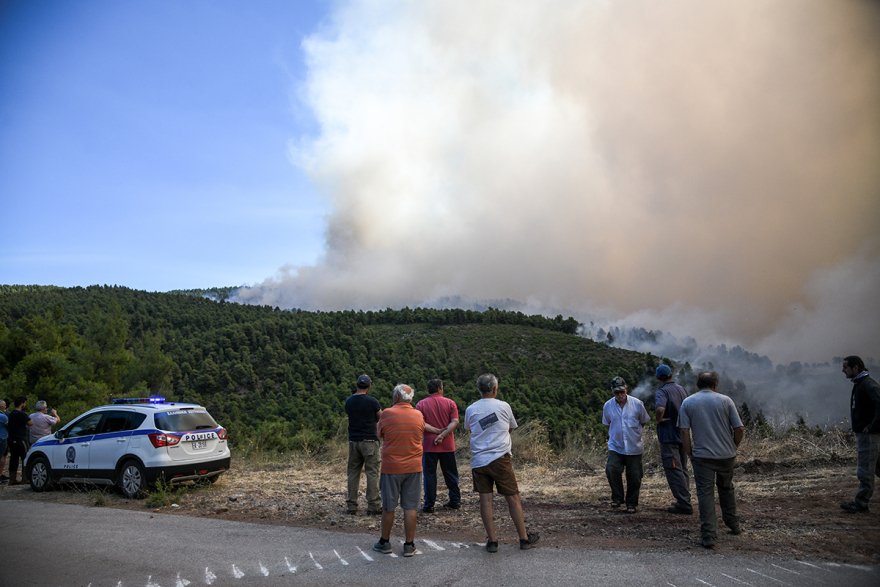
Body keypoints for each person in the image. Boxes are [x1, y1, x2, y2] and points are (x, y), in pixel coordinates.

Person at [464, 374, 539, 552]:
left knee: (485, 500)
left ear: (479, 389)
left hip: (479, 460)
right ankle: (524, 538)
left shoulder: (470, 409)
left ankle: (492, 541)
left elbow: (471, 430)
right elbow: (510, 428)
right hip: (500, 459)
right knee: (512, 498)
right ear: (495, 389)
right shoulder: (504, 406)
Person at [678, 371, 744, 548]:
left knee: (705, 494)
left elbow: (684, 431)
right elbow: (739, 429)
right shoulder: (726, 400)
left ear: (698, 385)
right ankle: (734, 525)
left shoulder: (688, 402)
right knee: (727, 488)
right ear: (715, 385)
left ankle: (708, 535)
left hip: (702, 457)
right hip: (726, 455)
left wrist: (690, 453)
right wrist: (733, 447)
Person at [373, 384, 425, 557]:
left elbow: (379, 434)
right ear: (410, 399)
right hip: (414, 467)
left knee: (389, 506)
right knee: (410, 507)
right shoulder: (419, 415)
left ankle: (385, 542)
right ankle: (409, 545)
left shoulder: (387, 413)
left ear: (396, 397)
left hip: (391, 467)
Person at [602, 376, 651, 514]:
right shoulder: (608, 405)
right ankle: (617, 498)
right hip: (616, 446)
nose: (619, 395)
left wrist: (634, 433)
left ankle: (631, 503)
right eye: (616, 392)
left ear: (626, 389)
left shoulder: (637, 404)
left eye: (621, 391)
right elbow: (607, 423)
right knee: (612, 470)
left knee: (635, 476)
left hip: (634, 446)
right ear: (612, 391)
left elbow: (643, 421)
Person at [840, 355, 880, 513]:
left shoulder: (867, 385)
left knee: (865, 470)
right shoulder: (862, 384)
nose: (843, 370)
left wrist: (872, 426)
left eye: (846, 367)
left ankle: (861, 504)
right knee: (877, 466)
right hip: (868, 434)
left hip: (868, 435)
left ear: (855, 367)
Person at [416, 378, 461, 513]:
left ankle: (429, 504)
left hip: (429, 445)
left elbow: (420, 423)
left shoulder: (421, 404)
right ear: (440, 388)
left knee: (429, 474)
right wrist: (443, 434)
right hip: (448, 444)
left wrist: (436, 432)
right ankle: (455, 500)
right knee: (450, 473)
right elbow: (455, 421)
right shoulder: (450, 403)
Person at [655, 365, 693, 514]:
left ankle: (684, 503)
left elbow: (660, 409)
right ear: (671, 375)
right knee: (683, 469)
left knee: (673, 469)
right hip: (682, 434)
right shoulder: (681, 389)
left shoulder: (662, 391)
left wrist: (659, 420)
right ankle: (685, 498)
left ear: (658, 377)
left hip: (669, 436)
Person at [344, 374, 383, 515]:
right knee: (372, 473)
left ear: (356, 384)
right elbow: (381, 417)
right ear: (369, 386)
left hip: (354, 441)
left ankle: (351, 506)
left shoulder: (349, 401)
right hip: (370, 441)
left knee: (353, 473)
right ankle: (373, 506)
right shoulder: (372, 401)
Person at [7, 397, 33, 486]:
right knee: (26, 457)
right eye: (24, 403)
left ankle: (12, 478)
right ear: (21, 404)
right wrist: (25, 425)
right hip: (21, 439)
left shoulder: (11, 414)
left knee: (14, 458)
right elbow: (31, 422)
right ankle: (25, 478)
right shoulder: (21, 414)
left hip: (11, 439)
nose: (25, 405)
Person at [0, 400, 8, 483]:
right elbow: (9, 425)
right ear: (1, 406)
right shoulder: (3, 416)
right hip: (2, 438)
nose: (5, 407)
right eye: (5, 405)